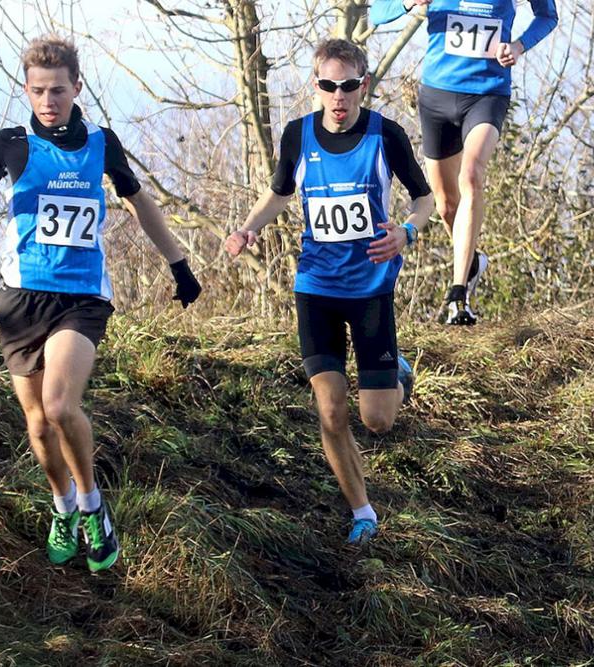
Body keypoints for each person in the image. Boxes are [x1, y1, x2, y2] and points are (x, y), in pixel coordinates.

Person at [0, 35, 201, 572]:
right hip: (21, 298)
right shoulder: (12, 143)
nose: (48, 100)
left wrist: (179, 263)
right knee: (37, 423)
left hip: (81, 297)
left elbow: (139, 202)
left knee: (58, 406)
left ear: (77, 87)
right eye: (38, 91)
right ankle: (63, 506)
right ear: (26, 91)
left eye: (57, 90)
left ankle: (94, 508)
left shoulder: (101, 142)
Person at [225, 39, 433, 545]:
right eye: (327, 85)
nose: (338, 95)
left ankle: (398, 372)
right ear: (315, 86)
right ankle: (363, 512)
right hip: (316, 286)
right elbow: (279, 192)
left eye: (348, 85)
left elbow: (425, 200)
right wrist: (248, 228)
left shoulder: (385, 135)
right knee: (331, 408)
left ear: (363, 85)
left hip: (370, 288)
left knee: (377, 420)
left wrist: (406, 232)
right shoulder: (298, 135)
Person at [371, 0, 557, 324]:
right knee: (445, 205)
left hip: (488, 94)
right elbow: (377, 13)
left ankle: (458, 295)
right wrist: (407, 2)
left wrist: (519, 45)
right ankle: (471, 264)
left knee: (471, 175)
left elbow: (547, 15)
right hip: (436, 97)